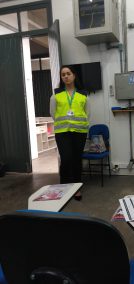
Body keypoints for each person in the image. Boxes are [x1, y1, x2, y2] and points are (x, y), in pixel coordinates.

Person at [50, 65, 89, 200]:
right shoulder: (56, 95)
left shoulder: (83, 94)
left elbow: (87, 113)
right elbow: (53, 113)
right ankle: (63, 188)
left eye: (68, 73)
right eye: (63, 74)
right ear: (61, 78)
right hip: (62, 132)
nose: (66, 76)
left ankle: (77, 189)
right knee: (66, 159)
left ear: (74, 75)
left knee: (77, 160)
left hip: (79, 132)